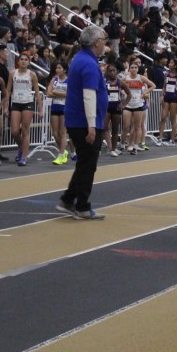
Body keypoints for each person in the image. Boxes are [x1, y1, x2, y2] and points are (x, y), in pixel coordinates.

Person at [57, 25, 109, 220]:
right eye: (103, 40)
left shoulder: (81, 59)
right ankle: (82, 206)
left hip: (77, 119)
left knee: (84, 163)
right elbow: (89, 96)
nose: (105, 44)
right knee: (88, 165)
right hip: (83, 121)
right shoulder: (88, 64)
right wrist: (92, 125)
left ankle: (68, 199)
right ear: (96, 43)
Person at [9, 52, 43, 166]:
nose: (23, 61)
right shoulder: (12, 73)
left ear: (29, 62)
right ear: (18, 61)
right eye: (21, 59)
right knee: (14, 131)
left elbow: (37, 93)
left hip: (28, 102)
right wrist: (5, 106)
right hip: (16, 102)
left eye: (26, 60)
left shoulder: (32, 74)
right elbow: (8, 90)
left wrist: (40, 109)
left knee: (25, 130)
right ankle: (22, 148)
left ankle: (23, 157)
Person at [103, 61, 131, 157]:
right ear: (107, 72)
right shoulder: (104, 82)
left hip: (116, 108)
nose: (112, 72)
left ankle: (113, 149)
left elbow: (129, 94)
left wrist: (124, 104)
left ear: (117, 71)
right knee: (103, 127)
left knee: (115, 129)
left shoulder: (120, 82)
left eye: (113, 71)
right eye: (110, 71)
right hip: (106, 107)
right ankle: (98, 148)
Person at [47, 61, 72, 165]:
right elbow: (48, 93)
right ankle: (64, 151)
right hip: (55, 107)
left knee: (63, 133)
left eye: (59, 68)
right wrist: (61, 94)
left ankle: (60, 155)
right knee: (55, 133)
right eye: (56, 68)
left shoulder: (69, 80)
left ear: (64, 70)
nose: (57, 70)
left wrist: (56, 92)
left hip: (65, 107)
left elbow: (69, 94)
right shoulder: (54, 80)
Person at [158, 58, 177, 146]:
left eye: (171, 63)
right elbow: (164, 87)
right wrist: (161, 96)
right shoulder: (166, 74)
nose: (169, 64)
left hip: (175, 98)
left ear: (175, 65)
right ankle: (160, 138)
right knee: (163, 117)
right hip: (166, 97)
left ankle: (172, 140)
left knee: (173, 118)